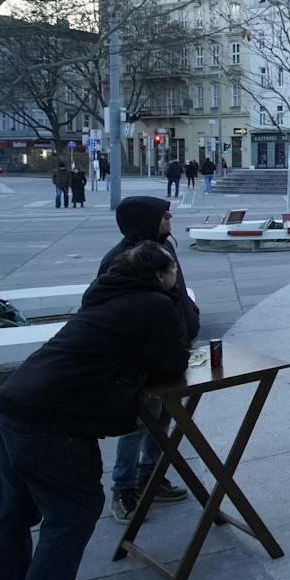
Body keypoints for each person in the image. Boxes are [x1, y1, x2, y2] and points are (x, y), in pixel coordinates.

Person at [0, 241, 191, 580]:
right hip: (51, 422)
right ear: (160, 275)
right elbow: (172, 361)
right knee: (74, 510)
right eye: (173, 272)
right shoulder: (153, 304)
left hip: (11, 405)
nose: (177, 277)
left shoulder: (104, 295)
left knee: (12, 515)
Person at [100, 197, 199, 520]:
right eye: (162, 214)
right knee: (137, 425)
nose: (169, 217)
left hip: (170, 350)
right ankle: (123, 488)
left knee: (163, 420)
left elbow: (176, 293)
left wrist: (190, 316)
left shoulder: (163, 247)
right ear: (145, 220)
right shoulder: (123, 259)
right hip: (140, 360)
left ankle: (150, 477)